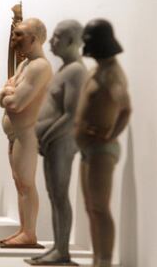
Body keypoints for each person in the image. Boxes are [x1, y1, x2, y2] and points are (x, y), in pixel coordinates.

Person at [30, 20, 87, 264]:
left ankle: (62, 249)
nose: (52, 42)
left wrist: (47, 135)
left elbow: (71, 114)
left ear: (72, 41)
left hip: (61, 142)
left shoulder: (76, 71)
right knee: (54, 195)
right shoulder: (64, 70)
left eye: (57, 37)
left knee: (60, 195)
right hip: (52, 142)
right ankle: (58, 246)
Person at [75, 19, 131, 267]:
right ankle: (98, 258)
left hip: (101, 151)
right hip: (88, 149)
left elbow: (126, 109)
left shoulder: (112, 74)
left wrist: (110, 134)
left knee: (99, 207)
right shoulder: (96, 71)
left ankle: (105, 261)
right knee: (91, 207)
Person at [0, 18, 52, 245]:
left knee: (26, 182)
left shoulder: (40, 67)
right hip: (16, 134)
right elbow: (5, 97)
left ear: (34, 38)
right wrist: (6, 92)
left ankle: (29, 233)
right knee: (20, 182)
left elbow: (16, 103)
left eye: (19, 34)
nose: (14, 39)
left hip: (27, 133)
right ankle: (24, 230)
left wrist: (7, 92)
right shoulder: (24, 65)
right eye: (14, 34)